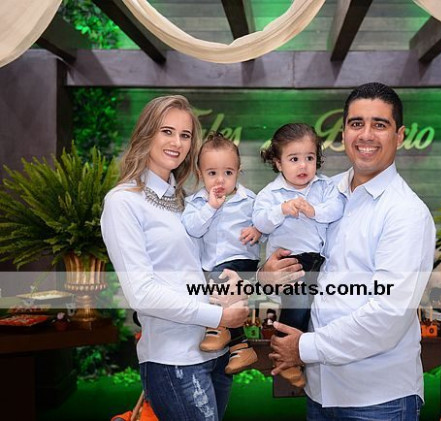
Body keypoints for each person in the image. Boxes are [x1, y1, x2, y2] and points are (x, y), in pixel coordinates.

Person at [266, 83, 437, 420]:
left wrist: (303, 347)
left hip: (379, 401)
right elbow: (290, 260)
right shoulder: (320, 192)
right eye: (357, 123)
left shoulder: (406, 213)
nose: (366, 135)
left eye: (380, 124)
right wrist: (268, 274)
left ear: (400, 136)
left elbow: (387, 315)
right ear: (343, 133)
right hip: (319, 393)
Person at [101, 95, 248, 421]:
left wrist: (241, 281)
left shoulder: (188, 201)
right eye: (167, 131)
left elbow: (201, 269)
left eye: (185, 135)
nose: (177, 142)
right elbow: (141, 293)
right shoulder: (123, 202)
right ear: (146, 133)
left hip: (216, 352)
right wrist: (218, 316)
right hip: (173, 359)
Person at [252, 123, 344, 387]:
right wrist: (282, 209)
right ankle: (286, 357)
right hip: (289, 261)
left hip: (318, 261)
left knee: (320, 307)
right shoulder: (271, 194)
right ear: (278, 163)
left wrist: (314, 211)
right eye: (294, 159)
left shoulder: (325, 187)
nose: (303, 165)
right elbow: (260, 222)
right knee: (298, 303)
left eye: (309, 158)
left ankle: (302, 354)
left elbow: (336, 209)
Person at [181, 132, 260, 375]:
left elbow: (266, 225)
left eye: (228, 172)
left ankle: (218, 329)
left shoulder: (250, 200)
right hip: (211, 269)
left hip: (242, 263)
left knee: (221, 281)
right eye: (212, 173)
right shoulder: (195, 203)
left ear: (238, 171)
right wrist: (210, 207)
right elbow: (192, 228)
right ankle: (240, 347)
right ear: (200, 173)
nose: (220, 180)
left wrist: (258, 230)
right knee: (216, 290)